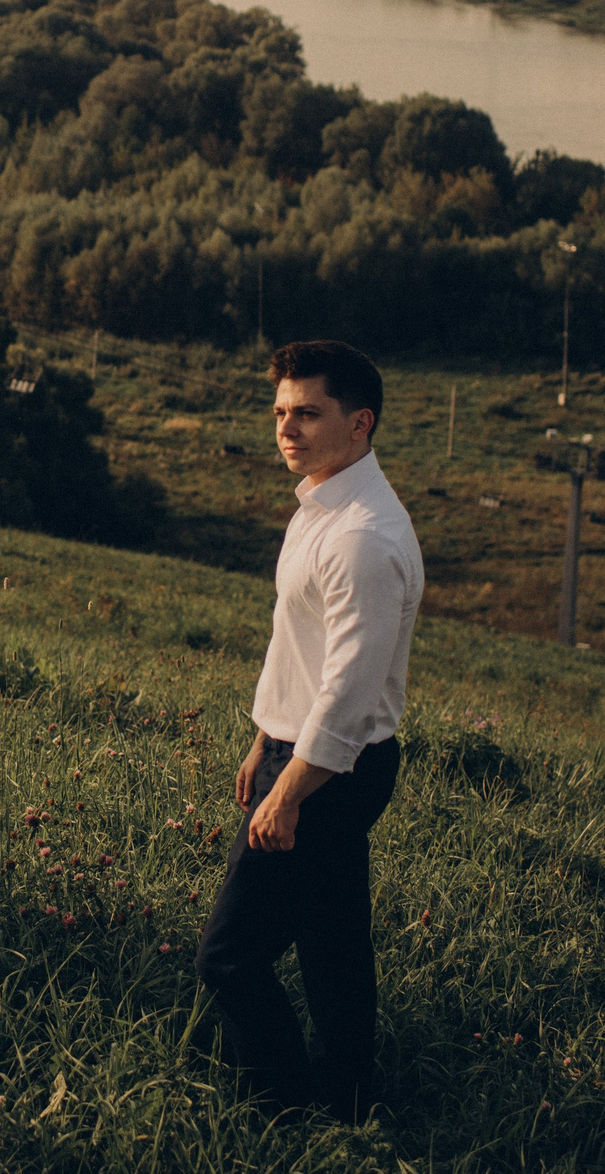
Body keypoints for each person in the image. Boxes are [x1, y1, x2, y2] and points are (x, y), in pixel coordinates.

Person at [197, 339, 424, 1118]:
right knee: (330, 941)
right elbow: (300, 643)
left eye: (307, 413)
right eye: (280, 413)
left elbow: (352, 687)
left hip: (332, 766)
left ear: (359, 423)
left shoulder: (362, 536)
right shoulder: (325, 502)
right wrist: (265, 734)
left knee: (228, 955)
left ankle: (279, 1108)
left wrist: (289, 787)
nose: (286, 429)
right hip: (307, 750)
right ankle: (351, 1093)